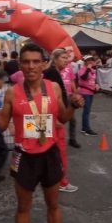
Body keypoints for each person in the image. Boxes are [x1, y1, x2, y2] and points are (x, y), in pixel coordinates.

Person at [0, 43, 84, 223]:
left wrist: (74, 105)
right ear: (20, 65)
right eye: (26, 62)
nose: (31, 66)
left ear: (43, 64)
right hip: (24, 157)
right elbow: (0, 126)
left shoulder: (54, 88)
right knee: (23, 206)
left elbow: (64, 117)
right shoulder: (12, 92)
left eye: (35, 61)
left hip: (49, 154)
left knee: (53, 204)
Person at [43, 49, 79, 193]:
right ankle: (62, 182)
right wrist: (54, 119)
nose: (66, 60)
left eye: (67, 58)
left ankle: (52, 179)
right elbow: (46, 97)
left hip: (54, 118)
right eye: (64, 58)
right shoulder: (51, 73)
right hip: (54, 119)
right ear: (55, 58)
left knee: (51, 151)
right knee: (59, 152)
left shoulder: (54, 71)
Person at [78, 55, 99, 136]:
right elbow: (84, 78)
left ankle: (84, 128)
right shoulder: (83, 69)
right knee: (86, 111)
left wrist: (97, 84)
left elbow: (94, 79)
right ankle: (87, 129)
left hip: (91, 92)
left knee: (87, 111)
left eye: (92, 60)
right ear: (85, 62)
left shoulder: (93, 70)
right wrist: (88, 68)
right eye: (88, 60)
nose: (91, 61)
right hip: (85, 92)